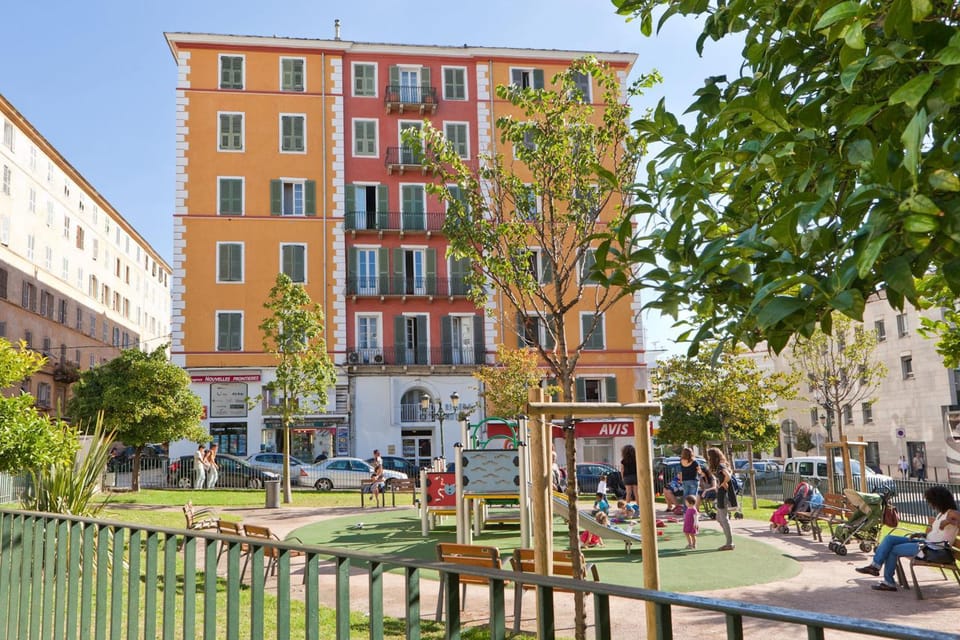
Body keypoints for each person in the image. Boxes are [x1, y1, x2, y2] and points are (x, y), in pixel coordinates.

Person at [855, 485, 960, 591]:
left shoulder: (952, 513)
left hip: (933, 550)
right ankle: (875, 566)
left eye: (931, 501)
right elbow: (938, 533)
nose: (930, 504)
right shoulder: (941, 514)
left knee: (892, 550)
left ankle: (888, 582)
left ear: (939, 500)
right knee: (889, 538)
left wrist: (948, 521)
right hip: (927, 543)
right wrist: (922, 534)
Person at [706, 447, 738, 551]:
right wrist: (722, 482)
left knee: (724, 519)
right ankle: (729, 540)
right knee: (719, 518)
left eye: (709, 456)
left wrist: (724, 483)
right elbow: (731, 471)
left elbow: (728, 475)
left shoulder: (720, 465)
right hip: (721, 493)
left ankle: (729, 543)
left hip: (723, 494)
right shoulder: (722, 464)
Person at [679, 447, 702, 514]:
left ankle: (685, 511)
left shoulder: (681, 461)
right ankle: (692, 511)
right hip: (693, 480)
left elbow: (681, 472)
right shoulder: (695, 462)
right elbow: (699, 471)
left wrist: (681, 480)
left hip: (685, 481)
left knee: (685, 496)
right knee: (693, 496)